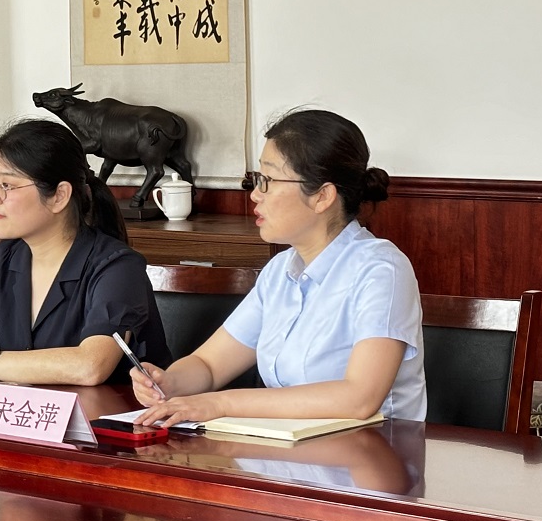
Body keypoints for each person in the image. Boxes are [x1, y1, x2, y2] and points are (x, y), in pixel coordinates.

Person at [133, 108, 425, 427]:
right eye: (257, 179)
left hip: (373, 450)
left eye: (267, 181)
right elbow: (209, 365)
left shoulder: (381, 269)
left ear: (322, 196)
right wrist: (168, 383)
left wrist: (220, 403)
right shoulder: (279, 271)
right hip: (288, 447)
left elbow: (360, 398)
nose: (255, 195)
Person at [0, 118, 168, 387]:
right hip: (26, 414)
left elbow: (90, 366)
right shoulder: (2, 261)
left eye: (6, 186)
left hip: (110, 416)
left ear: (59, 195)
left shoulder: (117, 267)